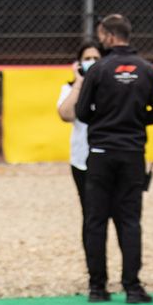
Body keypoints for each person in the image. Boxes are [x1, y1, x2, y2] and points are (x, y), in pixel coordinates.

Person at [72, 14, 153, 304]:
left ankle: (97, 287)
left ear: (110, 36)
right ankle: (133, 287)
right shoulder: (147, 69)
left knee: (96, 220)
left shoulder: (99, 69)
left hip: (101, 152)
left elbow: (81, 112)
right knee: (130, 220)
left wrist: (105, 120)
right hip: (132, 152)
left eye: (102, 35)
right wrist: (134, 120)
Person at [55, 40, 101, 227]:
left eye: (96, 58)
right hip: (81, 158)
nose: (92, 62)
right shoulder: (69, 89)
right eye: (87, 58)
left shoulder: (109, 87)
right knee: (88, 210)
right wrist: (80, 83)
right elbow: (66, 114)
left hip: (105, 155)